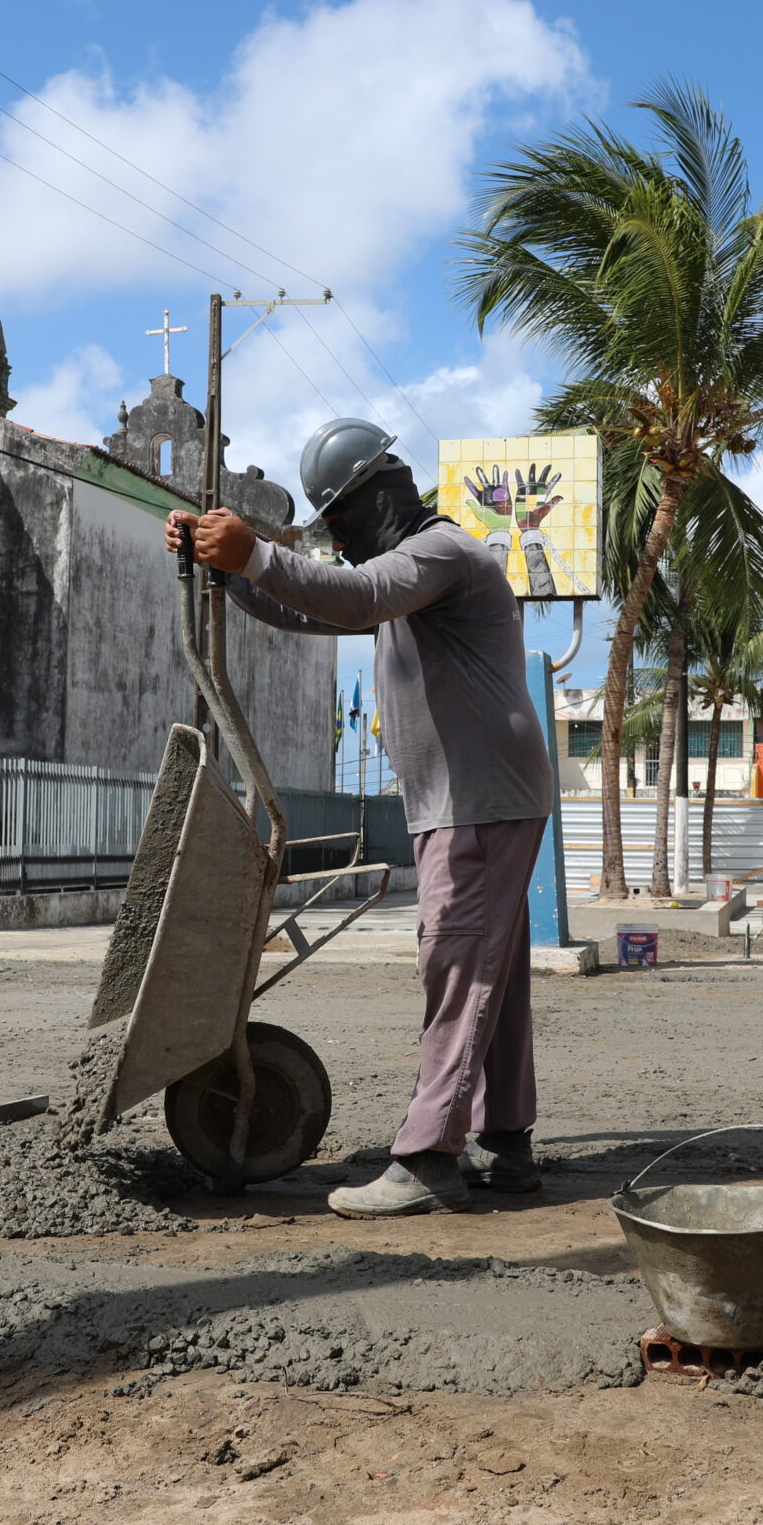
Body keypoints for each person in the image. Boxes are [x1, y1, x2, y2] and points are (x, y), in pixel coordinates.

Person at [164, 418, 558, 1217]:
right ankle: (502, 1140)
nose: (339, 543)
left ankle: (429, 1157)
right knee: (495, 974)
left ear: (380, 494)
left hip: (477, 802)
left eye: (340, 523)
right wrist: (227, 572)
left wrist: (257, 553)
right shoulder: (406, 574)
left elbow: (358, 593)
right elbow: (324, 610)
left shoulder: (439, 553)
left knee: (457, 964)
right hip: (484, 796)